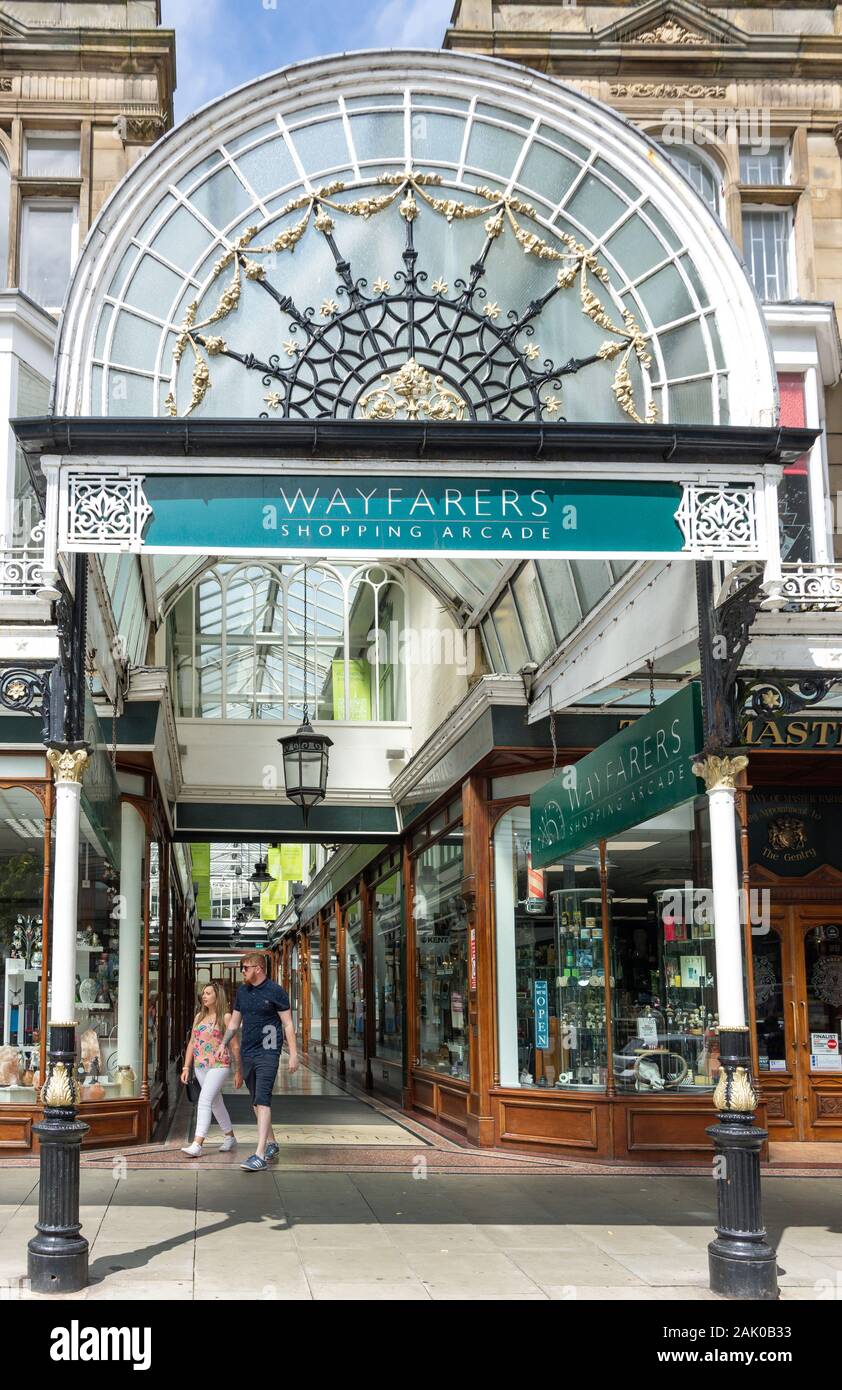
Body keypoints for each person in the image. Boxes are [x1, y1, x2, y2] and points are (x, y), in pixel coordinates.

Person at [216, 952, 297, 1172]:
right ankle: (272, 1142)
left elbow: (288, 1024)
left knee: (263, 1099)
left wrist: (294, 1054)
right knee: (255, 1102)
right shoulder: (243, 992)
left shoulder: (276, 992)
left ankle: (259, 1154)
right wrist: (224, 1043)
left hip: (269, 1052)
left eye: (245, 967)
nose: (242, 971)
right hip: (248, 1052)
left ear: (258, 968)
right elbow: (234, 1023)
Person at [181, 981, 241, 1157]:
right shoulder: (199, 1016)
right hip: (200, 1066)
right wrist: (186, 1066)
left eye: (208, 993)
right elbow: (192, 1042)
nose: (204, 996)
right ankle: (230, 1137)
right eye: (203, 993)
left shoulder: (226, 1017)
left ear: (217, 996)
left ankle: (197, 1144)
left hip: (219, 1065)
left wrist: (239, 1070)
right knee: (216, 1102)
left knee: (205, 1100)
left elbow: (235, 1046)